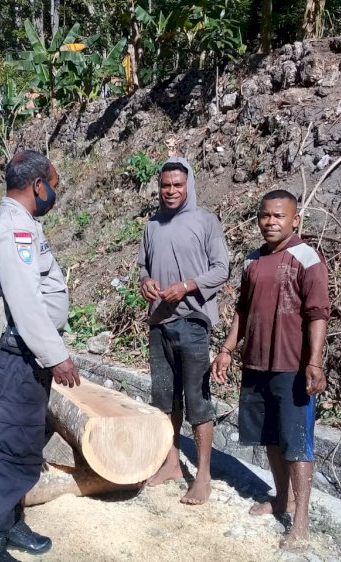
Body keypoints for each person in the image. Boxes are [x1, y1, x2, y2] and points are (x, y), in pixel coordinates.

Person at [0, 150, 81, 562]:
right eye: (51, 182)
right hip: (19, 352)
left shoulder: (22, 223)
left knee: (24, 439)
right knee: (15, 442)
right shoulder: (15, 227)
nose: (54, 190)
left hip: (24, 352)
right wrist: (57, 356)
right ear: (38, 185)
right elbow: (26, 301)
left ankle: (12, 524)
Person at [211, 189, 330, 546]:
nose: (270, 222)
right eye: (265, 216)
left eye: (279, 216)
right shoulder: (252, 260)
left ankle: (302, 523)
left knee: (298, 443)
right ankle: (282, 499)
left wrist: (314, 361)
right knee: (271, 437)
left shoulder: (306, 258)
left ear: (295, 220)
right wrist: (228, 350)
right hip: (257, 363)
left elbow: (318, 313)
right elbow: (242, 311)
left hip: (292, 367)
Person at [137, 157, 230, 505]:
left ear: (188, 185)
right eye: (165, 185)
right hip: (159, 323)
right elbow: (143, 265)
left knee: (198, 402)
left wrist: (188, 285)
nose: (171, 191)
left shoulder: (205, 221)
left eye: (177, 185)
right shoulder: (151, 226)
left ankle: (203, 476)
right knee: (164, 399)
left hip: (193, 323)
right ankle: (171, 462)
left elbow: (222, 269)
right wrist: (145, 281)